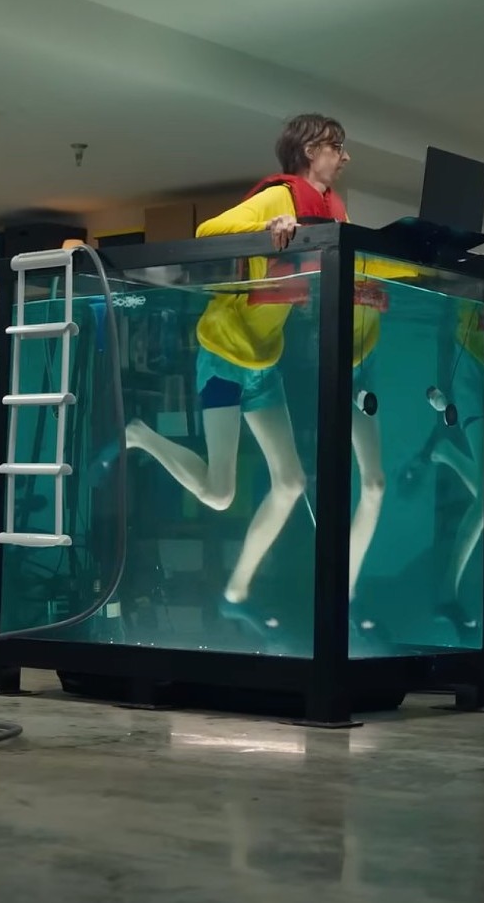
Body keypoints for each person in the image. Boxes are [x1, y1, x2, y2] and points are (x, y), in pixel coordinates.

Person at [124, 113, 391, 624]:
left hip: (263, 363)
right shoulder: (281, 197)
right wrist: (269, 225)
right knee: (221, 494)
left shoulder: (335, 210)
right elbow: (208, 230)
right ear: (311, 150)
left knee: (290, 483)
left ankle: (236, 594)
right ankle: (140, 434)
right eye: (338, 147)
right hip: (225, 355)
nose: (345, 157)